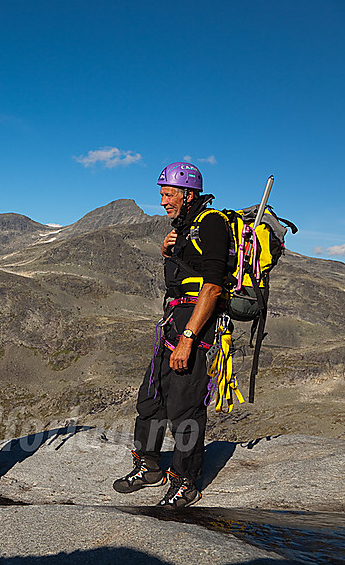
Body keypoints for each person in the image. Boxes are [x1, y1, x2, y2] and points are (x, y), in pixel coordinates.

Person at [113, 162, 229, 508]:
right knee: (150, 401)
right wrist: (168, 253)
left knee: (184, 409)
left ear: (188, 193)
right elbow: (180, 282)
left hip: (196, 327)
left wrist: (189, 337)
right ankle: (148, 466)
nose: (163, 201)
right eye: (162, 194)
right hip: (172, 322)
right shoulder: (184, 229)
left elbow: (212, 286)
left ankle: (186, 481)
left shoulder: (211, 223)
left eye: (168, 194)